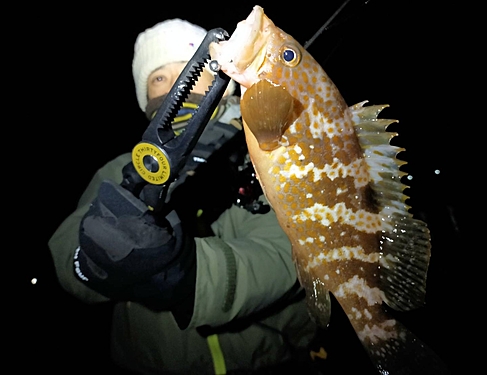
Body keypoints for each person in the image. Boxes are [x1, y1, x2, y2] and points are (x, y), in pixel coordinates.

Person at [48, 18, 322, 374]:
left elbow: (294, 254)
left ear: (223, 81)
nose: (176, 82)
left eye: (188, 69)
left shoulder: (268, 149)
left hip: (268, 359)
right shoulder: (122, 168)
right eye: (159, 78)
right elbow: (69, 250)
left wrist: (193, 276)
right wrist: (93, 262)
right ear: (145, 96)